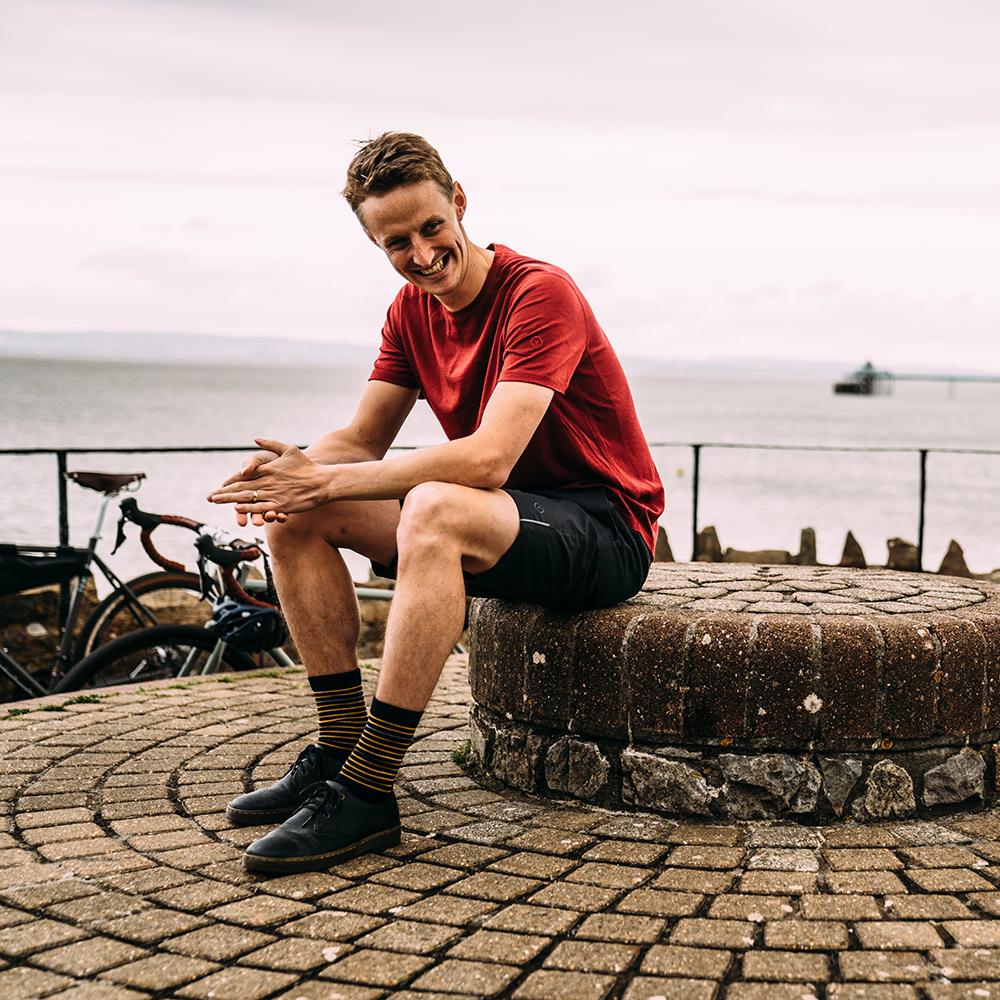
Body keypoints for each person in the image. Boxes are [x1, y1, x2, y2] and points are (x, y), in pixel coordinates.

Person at [207, 132, 664, 874]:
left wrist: (329, 480)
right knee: (298, 515)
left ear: (459, 202)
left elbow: (488, 459)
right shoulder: (410, 312)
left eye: (430, 228)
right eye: (396, 242)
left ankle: (369, 789)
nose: (421, 254)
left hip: (604, 529)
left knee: (433, 507)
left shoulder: (538, 292)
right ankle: (338, 749)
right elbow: (362, 438)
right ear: (375, 243)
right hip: (506, 518)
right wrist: (293, 472)